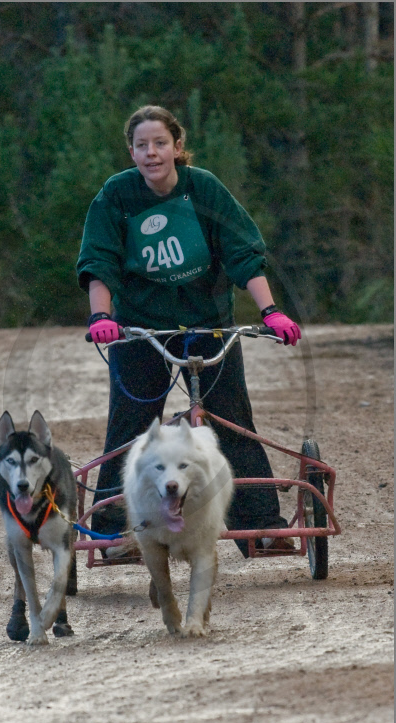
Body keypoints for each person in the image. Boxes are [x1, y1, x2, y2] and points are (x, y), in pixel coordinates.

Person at [76, 105, 301, 556]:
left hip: (206, 323)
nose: (151, 153)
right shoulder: (115, 196)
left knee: (232, 420)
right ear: (132, 152)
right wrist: (103, 318)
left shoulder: (204, 189)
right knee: (133, 427)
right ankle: (116, 530)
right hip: (140, 330)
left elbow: (242, 253)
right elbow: (100, 262)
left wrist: (272, 310)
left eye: (160, 143)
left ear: (178, 148)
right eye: (141, 145)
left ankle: (261, 526)